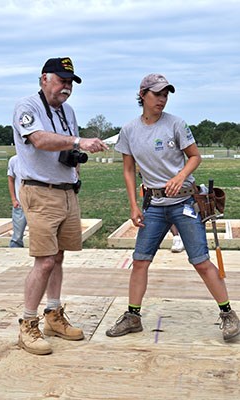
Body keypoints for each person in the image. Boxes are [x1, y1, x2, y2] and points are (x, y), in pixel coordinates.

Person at [106, 73, 240, 342]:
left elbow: (194, 157)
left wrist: (180, 177)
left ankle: (228, 314)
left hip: (184, 204)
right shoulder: (130, 130)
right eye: (157, 94)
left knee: (200, 261)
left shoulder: (176, 124)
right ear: (142, 94)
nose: (162, 99)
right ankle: (133, 316)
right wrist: (133, 205)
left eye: (166, 94)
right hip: (154, 205)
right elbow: (129, 169)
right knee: (140, 260)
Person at [13, 56, 108, 355]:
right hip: (40, 191)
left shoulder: (68, 110)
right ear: (44, 79)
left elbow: (67, 148)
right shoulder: (27, 107)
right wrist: (79, 142)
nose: (66, 87)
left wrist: (76, 166)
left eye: (70, 82)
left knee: (59, 256)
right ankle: (28, 324)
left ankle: (53, 314)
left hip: (67, 191)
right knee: (44, 261)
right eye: (61, 80)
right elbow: (40, 140)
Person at [7, 154, 27, 248]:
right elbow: (11, 180)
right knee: (17, 237)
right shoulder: (14, 160)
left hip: (37, 205)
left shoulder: (38, 159)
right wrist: (14, 199)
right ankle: (14, 257)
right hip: (20, 205)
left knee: (41, 237)